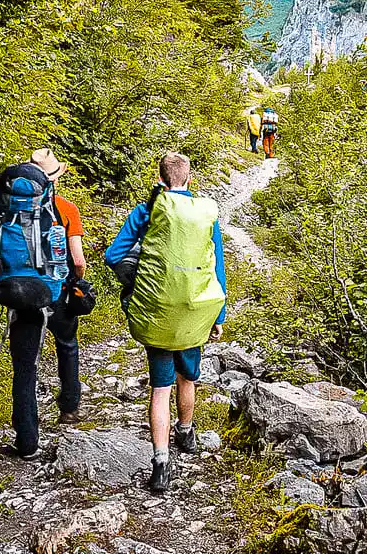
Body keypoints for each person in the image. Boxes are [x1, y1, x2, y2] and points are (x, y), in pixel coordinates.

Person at [104, 152, 226, 492]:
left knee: (160, 388)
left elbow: (113, 256)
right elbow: (216, 266)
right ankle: (186, 432)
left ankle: (160, 464)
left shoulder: (146, 211)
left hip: (157, 310)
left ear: (161, 178)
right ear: (189, 179)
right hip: (194, 309)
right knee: (188, 376)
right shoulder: (205, 214)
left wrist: (139, 279)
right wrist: (219, 314)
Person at [8, 148, 87, 459]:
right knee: (67, 344)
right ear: (56, 177)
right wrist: (75, 281)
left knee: (25, 368)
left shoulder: (12, 211)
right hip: (58, 293)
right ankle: (69, 408)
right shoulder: (66, 209)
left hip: (24, 295)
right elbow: (78, 260)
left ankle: (27, 442)